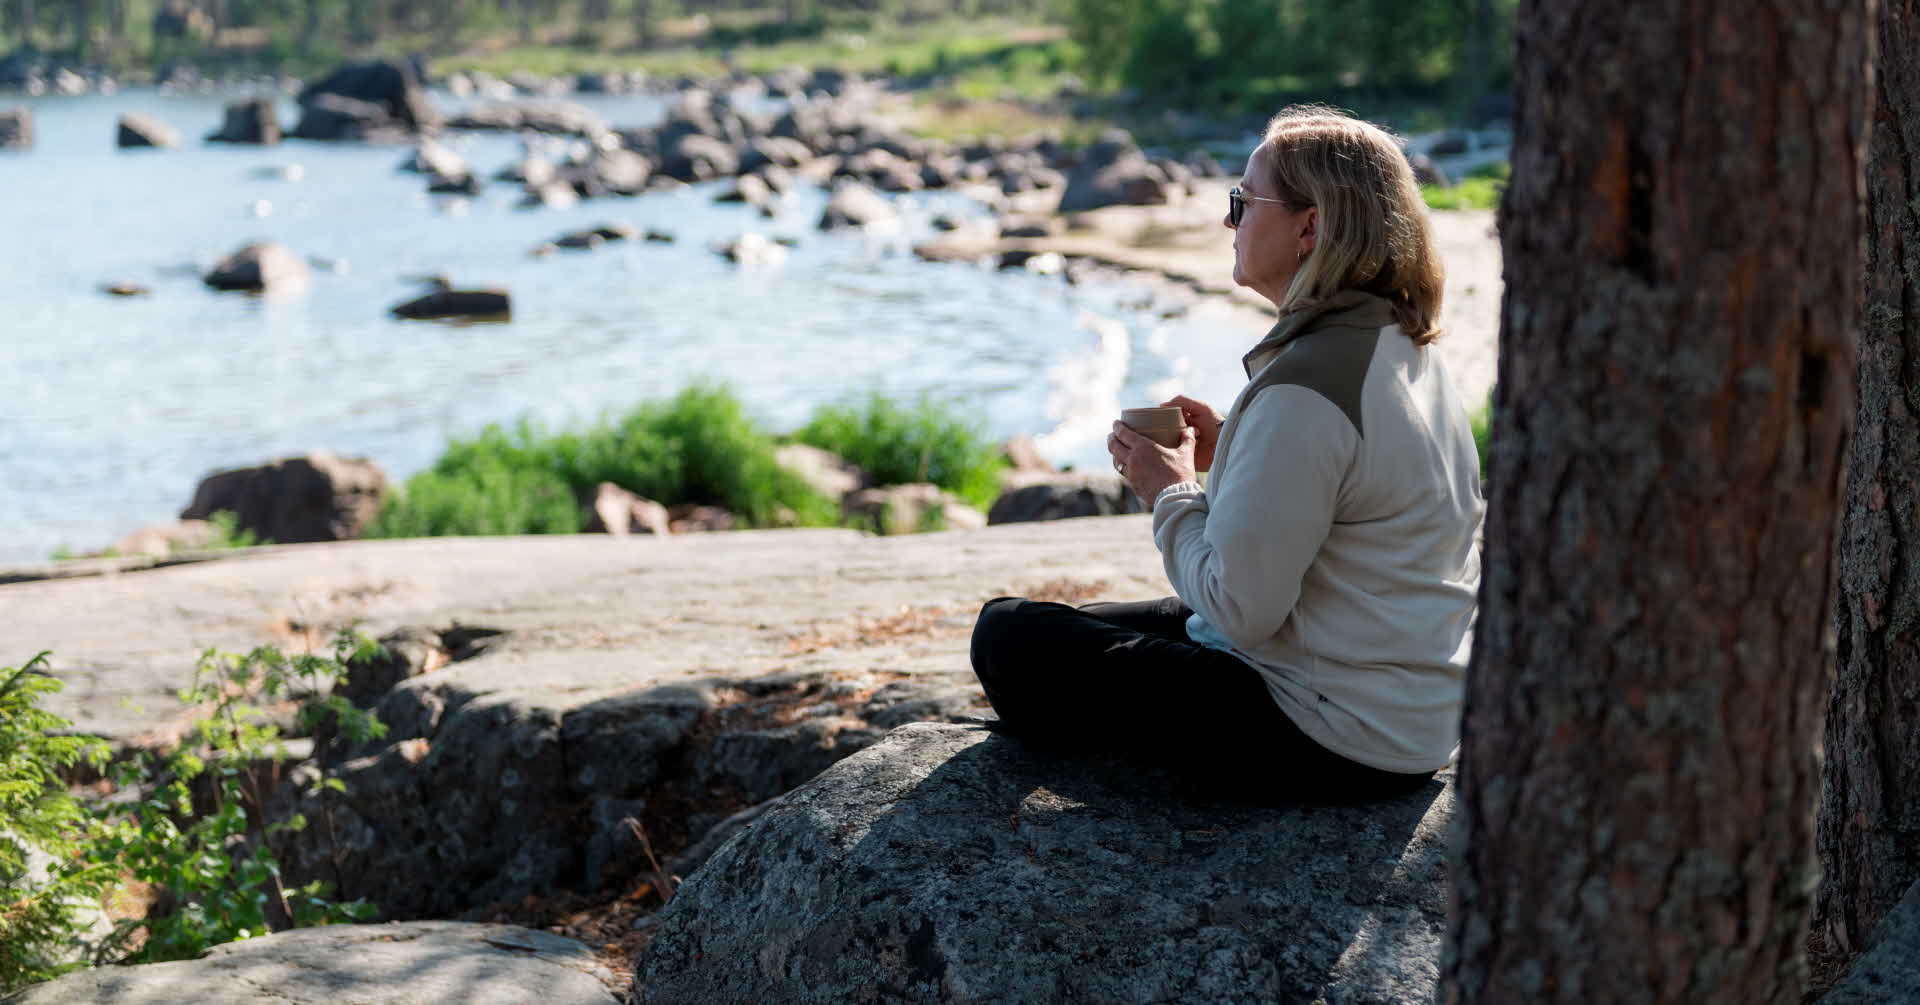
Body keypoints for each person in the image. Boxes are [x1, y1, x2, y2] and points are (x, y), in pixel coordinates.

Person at [969, 106, 1483, 803]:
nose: (1228, 221)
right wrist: (1233, 447)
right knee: (1083, 618)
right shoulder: (1400, 346)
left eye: (1242, 202)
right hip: (1407, 715)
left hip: (1327, 732)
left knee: (1010, 637)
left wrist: (1171, 490)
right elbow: (1350, 496)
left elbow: (1242, 609)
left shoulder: (1307, 387)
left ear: (1311, 227)